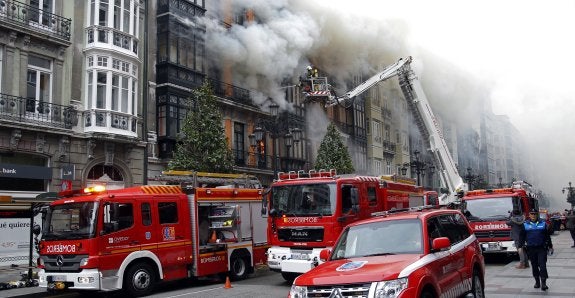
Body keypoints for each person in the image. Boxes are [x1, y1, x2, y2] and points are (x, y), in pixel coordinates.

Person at [521, 209, 553, 291]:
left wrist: (550, 246)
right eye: (532, 214)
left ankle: (544, 283)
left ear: (537, 215)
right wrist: (520, 246)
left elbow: (547, 236)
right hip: (531, 249)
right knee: (534, 266)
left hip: (541, 248)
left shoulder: (543, 224)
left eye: (535, 214)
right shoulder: (525, 225)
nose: (533, 215)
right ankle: (537, 282)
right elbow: (521, 237)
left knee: (542, 266)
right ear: (529, 215)